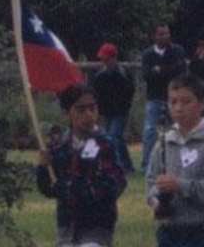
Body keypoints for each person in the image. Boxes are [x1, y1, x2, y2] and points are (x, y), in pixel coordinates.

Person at [147, 74, 204, 247]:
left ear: (202, 103)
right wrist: (157, 201)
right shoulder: (164, 142)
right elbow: (151, 181)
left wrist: (181, 186)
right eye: (173, 102)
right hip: (169, 232)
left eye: (186, 102)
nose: (179, 108)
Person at [37, 84, 126, 247]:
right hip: (67, 227)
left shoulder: (105, 143)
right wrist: (43, 168)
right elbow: (48, 188)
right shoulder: (58, 146)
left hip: (97, 226)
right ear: (67, 113)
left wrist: (73, 188)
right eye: (81, 110)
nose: (89, 115)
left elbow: (116, 182)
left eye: (93, 108)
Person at [141, 24, 188, 171]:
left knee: (181, 128)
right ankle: (147, 165)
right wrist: (166, 71)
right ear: (154, 36)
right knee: (149, 131)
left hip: (174, 96)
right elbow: (147, 76)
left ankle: (185, 160)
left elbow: (179, 70)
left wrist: (160, 70)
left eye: (167, 33)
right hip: (154, 97)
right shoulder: (148, 54)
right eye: (161, 34)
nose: (164, 36)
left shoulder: (177, 51)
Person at [90, 43, 135, 174]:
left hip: (121, 111)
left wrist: (124, 105)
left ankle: (118, 166)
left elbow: (130, 91)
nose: (104, 62)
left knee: (113, 136)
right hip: (107, 111)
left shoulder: (123, 74)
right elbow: (96, 93)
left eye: (107, 59)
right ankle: (127, 164)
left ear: (113, 58)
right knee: (117, 138)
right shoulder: (100, 75)